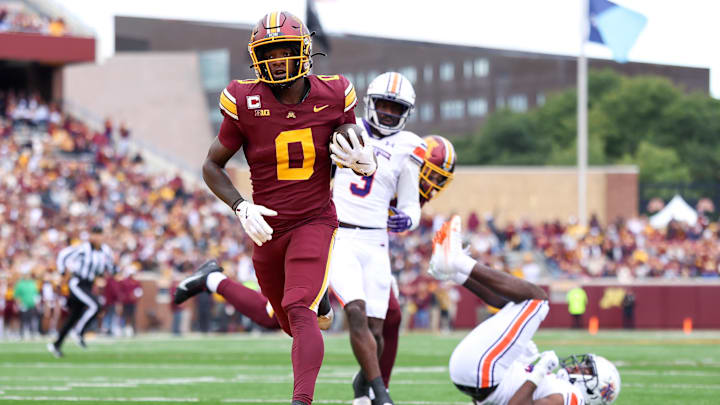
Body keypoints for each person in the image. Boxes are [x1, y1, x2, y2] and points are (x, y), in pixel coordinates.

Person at [174, 10, 375, 405]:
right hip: (265, 227)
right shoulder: (243, 100)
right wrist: (240, 206)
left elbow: (348, 136)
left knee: (298, 307)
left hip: (314, 219)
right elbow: (211, 164)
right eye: (270, 51)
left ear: (304, 51)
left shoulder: (335, 93)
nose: (278, 58)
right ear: (255, 56)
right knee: (284, 318)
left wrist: (364, 160)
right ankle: (214, 279)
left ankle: (300, 401)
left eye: (285, 49)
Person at [428, 215, 621, 405]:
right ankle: (452, 272)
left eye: (587, 370)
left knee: (538, 301)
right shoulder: (558, 387)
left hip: (482, 371)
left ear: (595, 392)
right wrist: (525, 362)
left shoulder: (574, 398)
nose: (578, 367)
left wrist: (537, 373)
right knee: (512, 303)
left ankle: (457, 261)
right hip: (474, 375)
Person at [327, 71, 425, 405]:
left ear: (406, 113)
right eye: (383, 105)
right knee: (354, 311)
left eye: (395, 109)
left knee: (377, 331)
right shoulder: (345, 129)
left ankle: (362, 386)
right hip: (340, 235)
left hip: (376, 241)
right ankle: (380, 394)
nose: (387, 113)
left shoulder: (409, 147)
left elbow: (411, 201)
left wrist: (409, 218)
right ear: (371, 103)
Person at [48, 226, 115, 357]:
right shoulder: (83, 249)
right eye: (95, 235)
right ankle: (79, 332)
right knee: (96, 305)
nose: (98, 238)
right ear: (91, 236)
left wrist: (113, 271)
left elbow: (109, 266)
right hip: (77, 283)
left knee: (73, 317)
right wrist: (62, 272)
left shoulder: (105, 250)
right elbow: (63, 255)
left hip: (89, 285)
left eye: (100, 235)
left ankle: (56, 344)